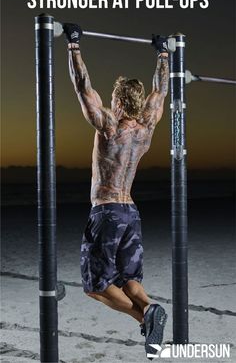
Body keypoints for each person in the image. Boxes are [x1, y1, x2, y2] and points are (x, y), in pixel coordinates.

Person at [63, 23, 169, 358]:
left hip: (106, 211)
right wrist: (163, 54)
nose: (109, 101)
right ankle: (150, 312)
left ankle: (144, 315)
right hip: (130, 212)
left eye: (113, 98)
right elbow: (160, 91)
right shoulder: (147, 128)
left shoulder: (109, 127)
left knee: (96, 287)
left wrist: (74, 46)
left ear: (120, 101)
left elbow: (83, 88)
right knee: (129, 282)